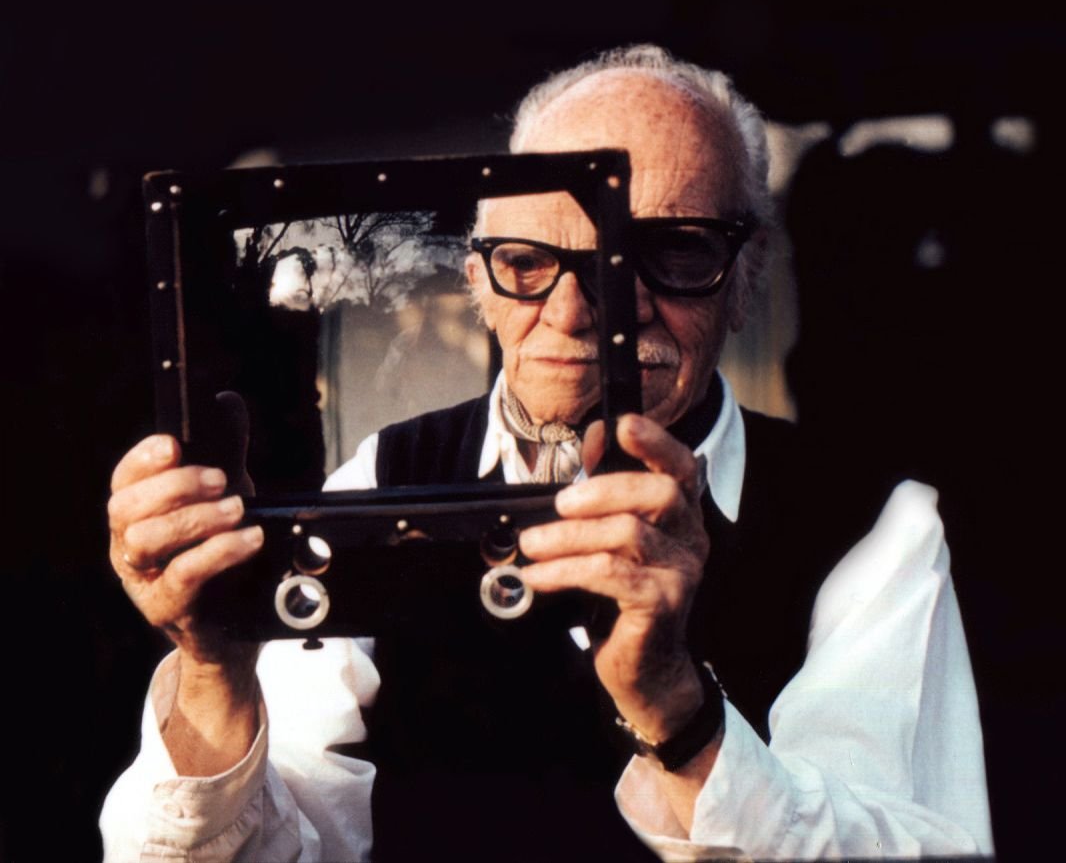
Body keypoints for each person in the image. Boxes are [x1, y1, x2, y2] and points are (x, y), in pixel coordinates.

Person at [101, 45, 993, 861]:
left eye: (671, 254)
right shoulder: (380, 480)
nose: (581, 314)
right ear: (477, 280)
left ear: (746, 281)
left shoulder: (875, 526)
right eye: (530, 262)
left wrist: (680, 713)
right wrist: (214, 674)